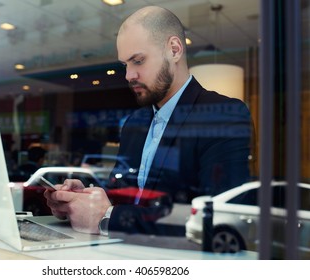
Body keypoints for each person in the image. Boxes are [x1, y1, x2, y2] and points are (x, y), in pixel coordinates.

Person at [44, 6, 253, 236]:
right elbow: (127, 196)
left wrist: (107, 217)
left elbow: (218, 218)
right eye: (126, 64)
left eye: (138, 61)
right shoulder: (135, 122)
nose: (128, 75)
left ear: (174, 50)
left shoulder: (223, 115)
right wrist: (84, 200)